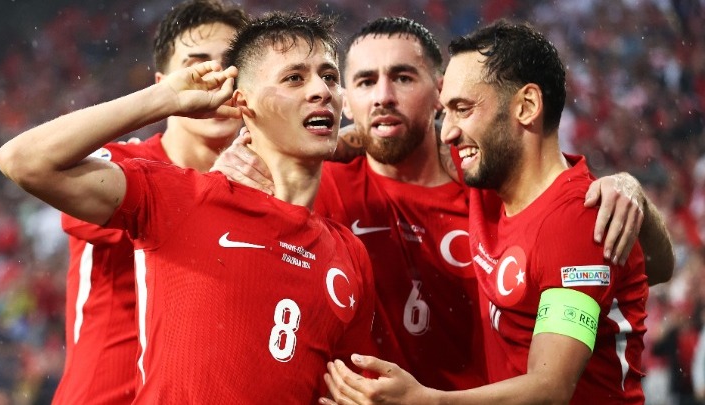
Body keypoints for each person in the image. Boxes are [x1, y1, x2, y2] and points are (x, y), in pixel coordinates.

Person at [214, 16, 673, 394]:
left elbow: (642, 267)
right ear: (347, 99)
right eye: (365, 82)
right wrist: (254, 149)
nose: (383, 96)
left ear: (437, 93)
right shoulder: (317, 185)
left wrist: (631, 193)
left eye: (402, 77)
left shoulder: (487, 184)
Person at [0, 11, 375, 403]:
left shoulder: (345, 251)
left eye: (330, 77)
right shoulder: (168, 189)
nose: (217, 76)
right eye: (294, 77)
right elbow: (24, 161)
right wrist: (166, 100)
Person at [53, 2, 248, 403]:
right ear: (164, 84)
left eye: (232, 65)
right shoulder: (122, 167)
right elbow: (33, 164)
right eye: (197, 65)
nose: (217, 78)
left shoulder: (261, 190)